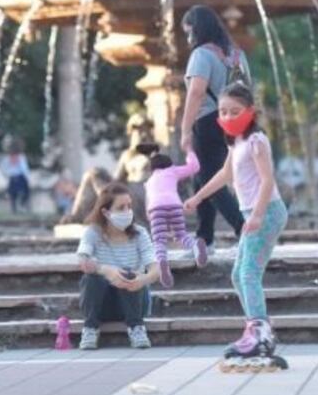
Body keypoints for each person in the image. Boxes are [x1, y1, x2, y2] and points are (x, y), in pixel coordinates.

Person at [184, 82, 288, 363]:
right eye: (223, 112)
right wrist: (197, 197)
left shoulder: (256, 141)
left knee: (249, 273)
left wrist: (256, 216)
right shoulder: (237, 142)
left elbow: (267, 181)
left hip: (267, 211)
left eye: (235, 111)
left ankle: (259, 334)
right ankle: (257, 328)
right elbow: (224, 175)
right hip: (253, 212)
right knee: (237, 275)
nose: (228, 117)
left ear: (250, 112)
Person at [179, 5, 249, 249]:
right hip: (234, 121)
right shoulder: (237, 55)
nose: (188, 37)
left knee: (210, 179)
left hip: (207, 120)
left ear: (197, 30)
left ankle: (244, 228)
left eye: (189, 31)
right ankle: (204, 237)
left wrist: (185, 129)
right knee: (203, 178)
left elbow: (197, 92)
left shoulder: (201, 55)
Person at [76, 182, 159, 350]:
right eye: (121, 208)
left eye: (129, 206)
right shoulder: (93, 232)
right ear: (106, 212)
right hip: (101, 305)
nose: (127, 212)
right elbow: (83, 262)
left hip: (133, 301)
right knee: (92, 277)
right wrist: (107, 270)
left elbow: (155, 270)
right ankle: (90, 328)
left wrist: (142, 279)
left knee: (129, 274)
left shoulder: (140, 233)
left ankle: (136, 328)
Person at [145, 150, 208, 287]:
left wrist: (149, 215)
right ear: (169, 163)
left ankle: (162, 262)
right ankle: (196, 246)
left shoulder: (149, 181)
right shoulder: (172, 171)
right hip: (174, 205)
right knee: (180, 235)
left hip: (155, 208)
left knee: (159, 240)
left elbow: (148, 202)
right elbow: (194, 167)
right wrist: (189, 151)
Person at [0, 139, 30, 214]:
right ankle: (14, 209)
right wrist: (7, 174)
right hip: (13, 177)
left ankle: (22, 205)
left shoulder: (21, 158)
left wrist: (26, 177)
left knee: (25, 193)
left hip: (20, 177)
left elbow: (25, 168)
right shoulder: (7, 159)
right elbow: (3, 168)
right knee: (13, 194)